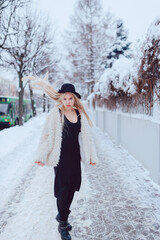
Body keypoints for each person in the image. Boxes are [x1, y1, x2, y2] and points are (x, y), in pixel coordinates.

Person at [22, 74, 98, 240]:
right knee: (63, 190)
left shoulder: (80, 114)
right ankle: (63, 224)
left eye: (71, 98)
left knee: (73, 187)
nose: (68, 101)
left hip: (75, 158)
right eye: (65, 98)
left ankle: (62, 214)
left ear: (75, 99)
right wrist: (41, 156)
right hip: (61, 159)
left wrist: (91, 156)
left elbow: (86, 138)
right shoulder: (55, 114)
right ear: (61, 99)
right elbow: (46, 136)